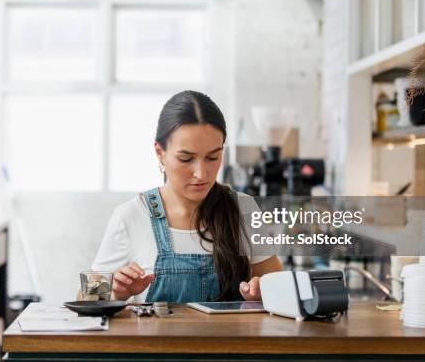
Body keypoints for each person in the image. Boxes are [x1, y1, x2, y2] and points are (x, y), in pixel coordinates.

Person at [87, 90, 282, 303]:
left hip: (230, 338)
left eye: (212, 157)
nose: (201, 173)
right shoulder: (131, 216)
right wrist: (117, 293)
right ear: (159, 153)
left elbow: (282, 290)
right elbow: (86, 298)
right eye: (186, 158)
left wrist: (264, 293)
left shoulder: (243, 208)